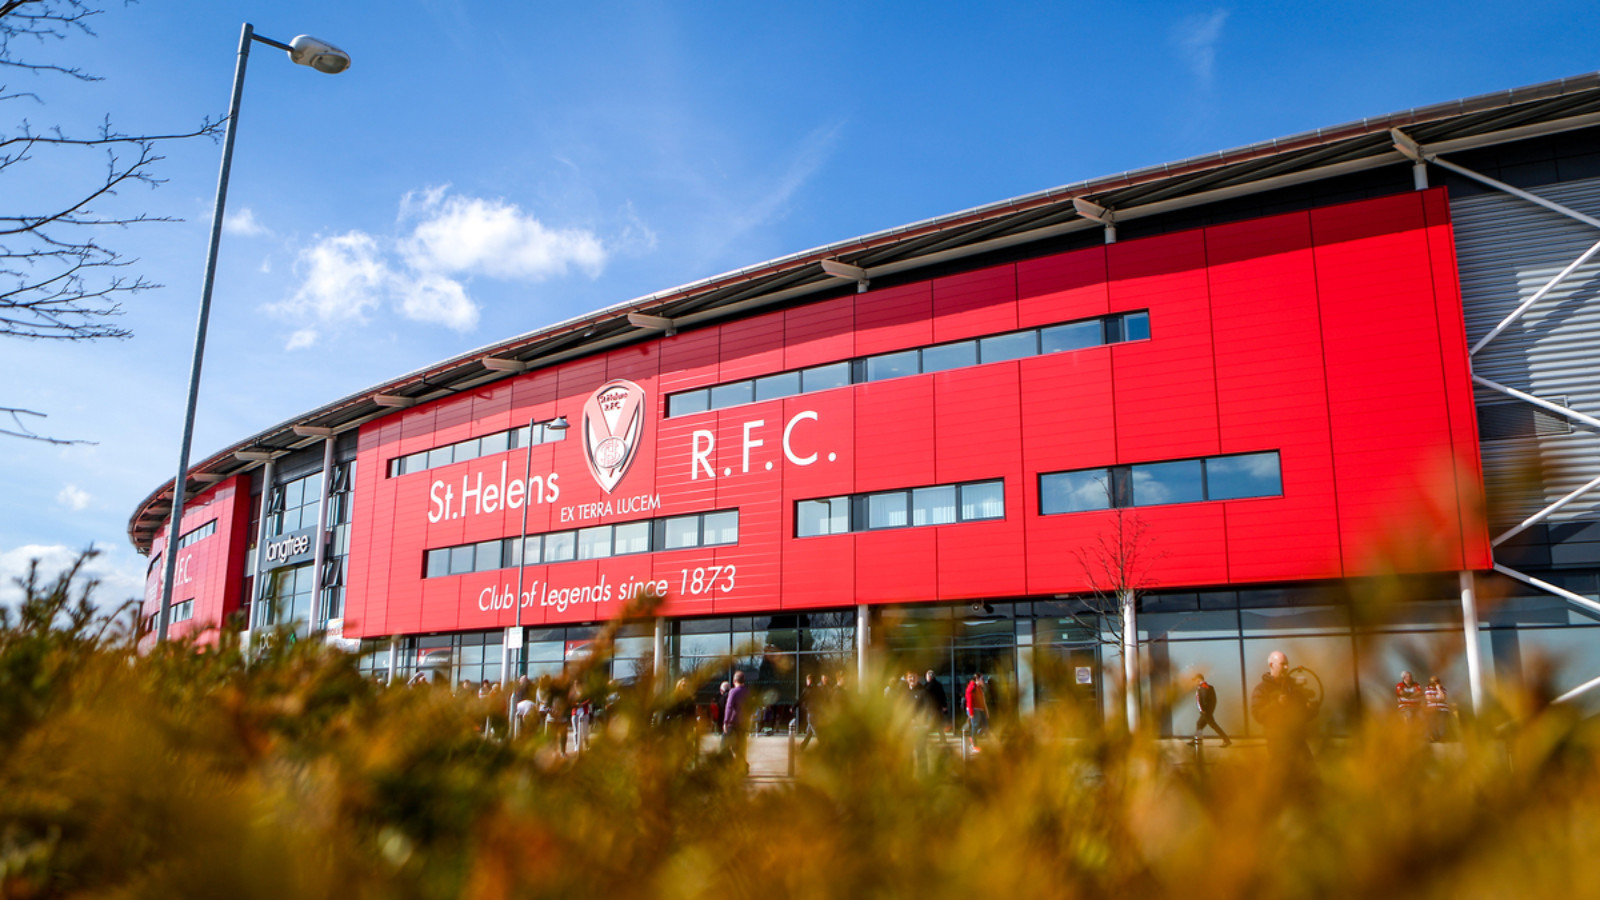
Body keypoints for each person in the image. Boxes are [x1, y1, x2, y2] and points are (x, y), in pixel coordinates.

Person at [1251, 650, 1315, 766]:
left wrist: (1311, 709)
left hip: (1298, 741)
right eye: (1282, 664)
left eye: (1287, 664)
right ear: (1271, 665)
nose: (1287, 667)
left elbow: (1304, 714)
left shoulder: (1294, 686)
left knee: (1309, 776)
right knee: (1282, 777)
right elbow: (1258, 715)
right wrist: (1277, 703)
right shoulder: (1262, 689)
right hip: (1277, 744)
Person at [1192, 673, 1231, 747]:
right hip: (1207, 711)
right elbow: (1213, 700)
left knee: (1213, 725)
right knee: (1199, 724)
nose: (1195, 682)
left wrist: (1204, 710)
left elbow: (1203, 700)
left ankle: (1226, 740)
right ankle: (1196, 740)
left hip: (1205, 712)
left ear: (1199, 679)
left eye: (1196, 680)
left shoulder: (1203, 687)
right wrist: (1211, 710)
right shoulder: (1208, 687)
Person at [722, 671, 751, 764]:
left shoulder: (733, 692)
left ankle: (729, 764)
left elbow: (729, 707)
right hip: (743, 723)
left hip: (733, 723)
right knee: (740, 746)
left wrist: (726, 722)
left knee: (724, 745)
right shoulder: (747, 692)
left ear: (734, 681)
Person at [1425, 676, 1450, 742]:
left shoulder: (1443, 689)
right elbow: (1429, 698)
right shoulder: (1428, 689)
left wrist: (1438, 689)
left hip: (1442, 708)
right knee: (1432, 721)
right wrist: (1439, 699)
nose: (1434, 683)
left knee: (1442, 721)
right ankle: (1434, 737)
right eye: (1433, 682)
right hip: (1432, 709)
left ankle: (1442, 737)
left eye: (1436, 682)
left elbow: (1443, 697)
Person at [924, 669, 949, 735]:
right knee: (939, 724)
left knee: (929, 723)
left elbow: (925, 696)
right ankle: (942, 739)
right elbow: (942, 696)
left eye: (926, 676)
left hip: (930, 707)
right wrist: (944, 705)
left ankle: (926, 737)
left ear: (929, 677)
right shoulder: (938, 685)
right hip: (938, 707)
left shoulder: (927, 686)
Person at [965, 673, 989, 740]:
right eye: (982, 679)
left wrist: (986, 710)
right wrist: (971, 712)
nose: (983, 681)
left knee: (985, 725)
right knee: (975, 725)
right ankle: (973, 741)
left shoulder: (979, 689)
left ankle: (974, 738)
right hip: (975, 709)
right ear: (977, 679)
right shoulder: (972, 687)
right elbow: (969, 701)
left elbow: (982, 701)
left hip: (979, 709)